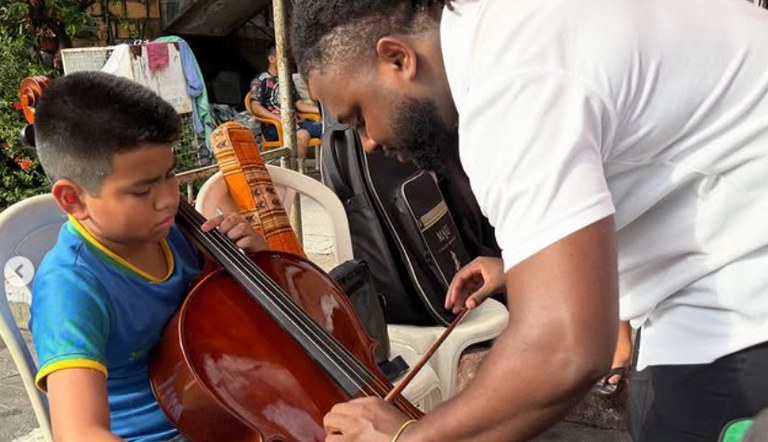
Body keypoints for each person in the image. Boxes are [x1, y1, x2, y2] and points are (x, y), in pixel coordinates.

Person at [290, 0, 768, 441]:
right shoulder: (512, 23)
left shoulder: (507, 82)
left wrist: (401, 436)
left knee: (672, 416)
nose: (368, 142)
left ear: (397, 59)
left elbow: (563, 349)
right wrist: (520, 263)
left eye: (356, 118)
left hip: (746, 305)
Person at [30, 71, 268, 441]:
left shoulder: (176, 233)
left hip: (231, 410)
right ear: (73, 199)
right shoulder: (70, 288)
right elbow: (79, 433)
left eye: (170, 175)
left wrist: (256, 261)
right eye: (142, 191)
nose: (169, 199)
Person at [249, 42, 323, 159]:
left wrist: (321, 110)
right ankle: (298, 171)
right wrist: (278, 118)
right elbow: (254, 106)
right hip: (274, 127)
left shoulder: (287, 79)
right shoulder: (260, 81)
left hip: (298, 123)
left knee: (329, 128)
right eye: (282, 56)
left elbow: (298, 104)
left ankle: (328, 170)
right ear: (271, 59)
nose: (286, 60)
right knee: (302, 135)